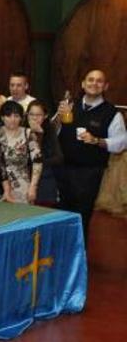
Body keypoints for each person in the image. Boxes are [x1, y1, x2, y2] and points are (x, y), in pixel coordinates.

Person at [56, 70, 127, 236]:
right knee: (59, 217)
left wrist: (97, 140)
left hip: (89, 174)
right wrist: (59, 118)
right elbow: (54, 135)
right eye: (90, 80)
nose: (94, 84)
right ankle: (59, 258)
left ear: (105, 86)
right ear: (83, 84)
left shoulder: (111, 113)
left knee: (80, 219)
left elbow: (121, 142)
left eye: (99, 81)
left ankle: (78, 259)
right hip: (63, 170)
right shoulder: (69, 106)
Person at [0, 101, 42, 204]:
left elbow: (37, 161)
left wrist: (33, 187)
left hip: (22, 186)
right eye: (8, 116)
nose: (13, 119)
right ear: (2, 117)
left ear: (21, 118)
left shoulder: (28, 133)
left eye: (16, 116)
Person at [25, 100, 62, 206]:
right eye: (31, 114)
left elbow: (58, 158)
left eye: (38, 115)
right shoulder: (22, 130)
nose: (34, 118)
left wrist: (39, 136)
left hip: (45, 179)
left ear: (45, 116)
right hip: (24, 178)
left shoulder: (50, 131)